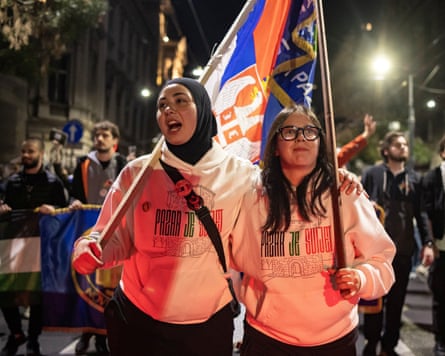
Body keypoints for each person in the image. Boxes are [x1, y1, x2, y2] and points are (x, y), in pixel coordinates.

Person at [70, 78, 363, 356]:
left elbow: (288, 186)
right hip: (138, 319)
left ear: (206, 114)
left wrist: (333, 178)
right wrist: (91, 248)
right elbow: (111, 236)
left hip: (206, 325)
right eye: (161, 105)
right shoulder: (137, 174)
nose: (168, 109)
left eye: (180, 101)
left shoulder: (243, 175)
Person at [229, 105, 396, 355]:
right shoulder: (250, 196)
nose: (300, 138)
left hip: (334, 340)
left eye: (310, 131)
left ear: (321, 143)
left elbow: (381, 261)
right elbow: (227, 255)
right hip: (266, 338)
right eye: (290, 132)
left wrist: (361, 278)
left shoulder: (346, 195)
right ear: (275, 145)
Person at [361, 131, 435, 356]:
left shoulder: (414, 179)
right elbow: (359, 206)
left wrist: (428, 243)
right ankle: (371, 342)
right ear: (386, 150)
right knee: (374, 299)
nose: (403, 147)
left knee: (396, 301)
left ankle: (389, 345)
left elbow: (420, 214)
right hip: (375, 251)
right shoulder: (373, 174)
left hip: (403, 251)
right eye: (397, 145)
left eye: (405, 144)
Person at [0, 137, 68, 356]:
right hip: (14, 245)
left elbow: (65, 210)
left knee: (38, 295)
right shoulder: (11, 182)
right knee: (6, 289)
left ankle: (33, 339)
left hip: (42, 246)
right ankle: (16, 332)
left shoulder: (52, 182)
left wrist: (54, 208)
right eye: (23, 151)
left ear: (40, 153)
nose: (26, 155)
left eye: (30, 151)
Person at [69, 120, 126, 355]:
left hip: (112, 234)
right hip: (87, 231)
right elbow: (73, 195)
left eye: (105, 135)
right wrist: (74, 203)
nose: (100, 139)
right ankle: (86, 332)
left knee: (107, 286)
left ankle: (103, 335)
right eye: (97, 135)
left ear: (115, 140)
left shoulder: (124, 164)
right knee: (86, 284)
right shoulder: (83, 164)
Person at [422, 134, 445, 356]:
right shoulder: (431, 178)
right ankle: (440, 340)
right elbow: (425, 212)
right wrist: (430, 242)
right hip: (441, 247)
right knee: (440, 297)